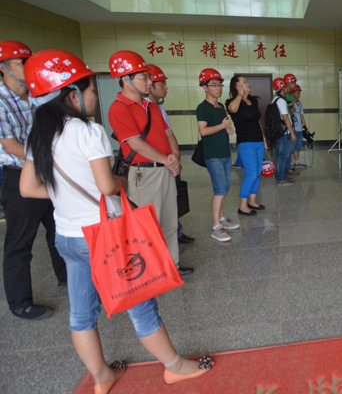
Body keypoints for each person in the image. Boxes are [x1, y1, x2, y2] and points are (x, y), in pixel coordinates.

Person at [19, 49, 213, 394]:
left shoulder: (39, 134)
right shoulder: (87, 131)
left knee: (81, 315)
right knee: (141, 306)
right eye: (92, 89)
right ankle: (175, 367)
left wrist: (66, 193)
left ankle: (101, 376)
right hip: (104, 235)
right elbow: (107, 186)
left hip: (68, 237)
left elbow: (28, 188)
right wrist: (121, 183)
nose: (95, 96)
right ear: (72, 94)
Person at [107, 51, 193, 276]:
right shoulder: (119, 108)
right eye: (143, 77)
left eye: (149, 77)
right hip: (144, 175)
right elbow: (136, 144)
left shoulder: (151, 106)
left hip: (165, 170)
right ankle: (149, 272)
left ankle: (171, 267)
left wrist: (175, 158)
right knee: (146, 227)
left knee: (169, 222)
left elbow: (168, 134)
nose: (149, 82)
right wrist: (167, 160)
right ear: (125, 80)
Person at [0, 40, 66, 320]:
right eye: (21, 63)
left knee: (59, 228)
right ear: (4, 68)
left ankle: (66, 277)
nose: (28, 67)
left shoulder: (37, 97)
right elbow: (10, 145)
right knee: (20, 242)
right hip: (18, 177)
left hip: (47, 171)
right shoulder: (1, 101)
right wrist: (42, 158)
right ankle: (20, 303)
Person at [145, 64, 195, 245]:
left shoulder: (158, 106)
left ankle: (175, 232)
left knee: (172, 200)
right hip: (157, 164)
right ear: (150, 85)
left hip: (170, 160)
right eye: (162, 84)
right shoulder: (144, 108)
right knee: (159, 205)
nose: (166, 88)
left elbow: (169, 133)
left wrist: (176, 157)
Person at [196, 68, 239, 241]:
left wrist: (227, 128)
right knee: (220, 189)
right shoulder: (202, 108)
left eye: (220, 85)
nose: (218, 88)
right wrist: (222, 126)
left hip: (225, 153)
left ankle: (222, 218)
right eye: (214, 85)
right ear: (204, 87)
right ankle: (216, 226)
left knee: (224, 188)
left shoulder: (220, 106)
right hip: (213, 155)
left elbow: (223, 125)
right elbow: (203, 131)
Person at [226, 74, 266, 216]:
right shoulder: (232, 102)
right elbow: (233, 109)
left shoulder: (253, 101)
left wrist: (264, 139)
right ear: (236, 85)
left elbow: (258, 122)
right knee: (251, 174)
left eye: (247, 81)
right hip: (246, 143)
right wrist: (239, 94)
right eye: (244, 82)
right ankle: (243, 206)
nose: (248, 83)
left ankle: (252, 201)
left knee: (257, 173)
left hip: (258, 141)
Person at [271, 76, 296, 186]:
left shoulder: (275, 99)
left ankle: (279, 174)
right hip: (285, 133)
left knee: (278, 155)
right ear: (283, 88)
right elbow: (285, 118)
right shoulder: (281, 101)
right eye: (285, 87)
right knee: (283, 156)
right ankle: (281, 179)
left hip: (279, 132)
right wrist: (292, 132)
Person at [291, 83, 310, 168]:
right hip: (293, 129)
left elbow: (301, 115)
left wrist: (305, 126)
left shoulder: (299, 103)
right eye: (297, 93)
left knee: (298, 146)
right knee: (291, 146)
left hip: (299, 129)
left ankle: (297, 162)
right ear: (293, 93)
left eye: (299, 93)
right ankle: (288, 164)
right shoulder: (290, 104)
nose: (299, 95)